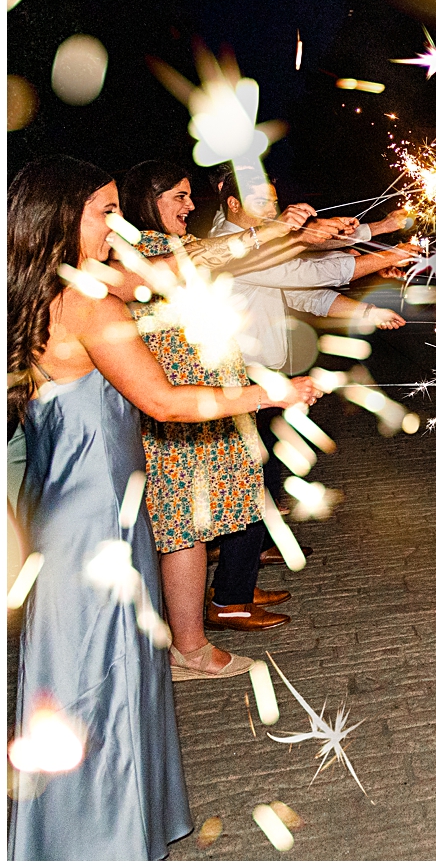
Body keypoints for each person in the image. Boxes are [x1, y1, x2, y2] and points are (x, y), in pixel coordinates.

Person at [7, 155, 318, 859]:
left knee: (81, 679)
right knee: (102, 680)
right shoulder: (90, 303)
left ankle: (72, 832)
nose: (116, 224)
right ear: (63, 217)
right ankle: (102, 838)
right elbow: (165, 401)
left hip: (67, 514)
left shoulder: (41, 290)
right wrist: (275, 393)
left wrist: (258, 235)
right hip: (98, 525)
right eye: (103, 211)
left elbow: (169, 273)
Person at [117, 161, 291, 653]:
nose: (191, 206)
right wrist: (272, 234)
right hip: (180, 409)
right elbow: (192, 264)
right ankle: (190, 645)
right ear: (147, 200)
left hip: (207, 406)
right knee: (183, 527)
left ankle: (204, 623)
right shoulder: (142, 253)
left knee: (200, 524)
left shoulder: (179, 246)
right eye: (179, 196)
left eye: (190, 196)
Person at [208, 176, 413, 576]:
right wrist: (387, 254)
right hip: (237, 376)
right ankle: (231, 594)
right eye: (259, 198)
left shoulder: (260, 243)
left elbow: (306, 289)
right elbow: (304, 271)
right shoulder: (231, 247)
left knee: (261, 470)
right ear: (232, 203)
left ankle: (253, 552)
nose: (271, 206)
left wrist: (368, 308)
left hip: (259, 374)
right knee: (251, 481)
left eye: (273, 197)